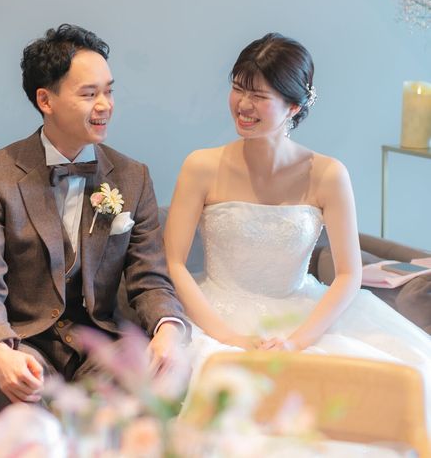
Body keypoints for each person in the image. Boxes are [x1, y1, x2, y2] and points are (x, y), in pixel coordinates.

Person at [165, 33, 431, 405]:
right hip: (213, 316)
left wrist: (297, 341)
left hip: (302, 319)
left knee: (394, 387)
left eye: (258, 95)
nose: (243, 104)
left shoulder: (328, 175)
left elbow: (348, 274)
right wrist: (228, 337)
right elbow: (174, 262)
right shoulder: (200, 166)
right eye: (238, 89)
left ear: (293, 106)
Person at [0, 24, 189, 412]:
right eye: (89, 94)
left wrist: (168, 327)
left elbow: (150, 278)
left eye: (109, 91)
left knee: (149, 399)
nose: (105, 105)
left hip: (103, 346)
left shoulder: (133, 177)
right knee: (31, 421)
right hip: (27, 344)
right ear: (45, 100)